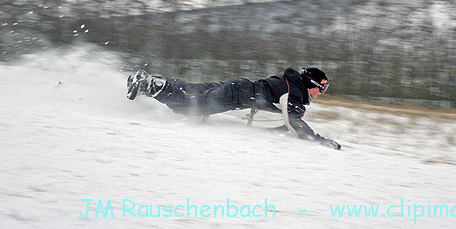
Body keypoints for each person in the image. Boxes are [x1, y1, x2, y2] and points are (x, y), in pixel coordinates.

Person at [127, 66, 341, 150]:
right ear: (311, 84)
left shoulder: (291, 84)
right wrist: (317, 139)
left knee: (192, 91)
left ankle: (148, 81)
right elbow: (292, 121)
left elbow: (284, 118)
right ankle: (150, 85)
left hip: (238, 86)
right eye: (321, 88)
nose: (322, 92)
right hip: (236, 93)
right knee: (193, 106)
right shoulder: (293, 91)